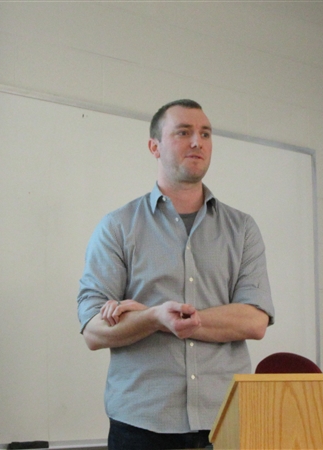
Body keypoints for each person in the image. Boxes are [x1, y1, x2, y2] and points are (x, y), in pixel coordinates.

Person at [77, 99, 274, 450]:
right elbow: (93, 330)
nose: (197, 142)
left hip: (225, 420)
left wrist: (160, 318)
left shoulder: (242, 228)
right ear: (154, 146)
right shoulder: (118, 226)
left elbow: (254, 320)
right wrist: (155, 317)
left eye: (205, 134)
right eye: (183, 132)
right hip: (141, 423)